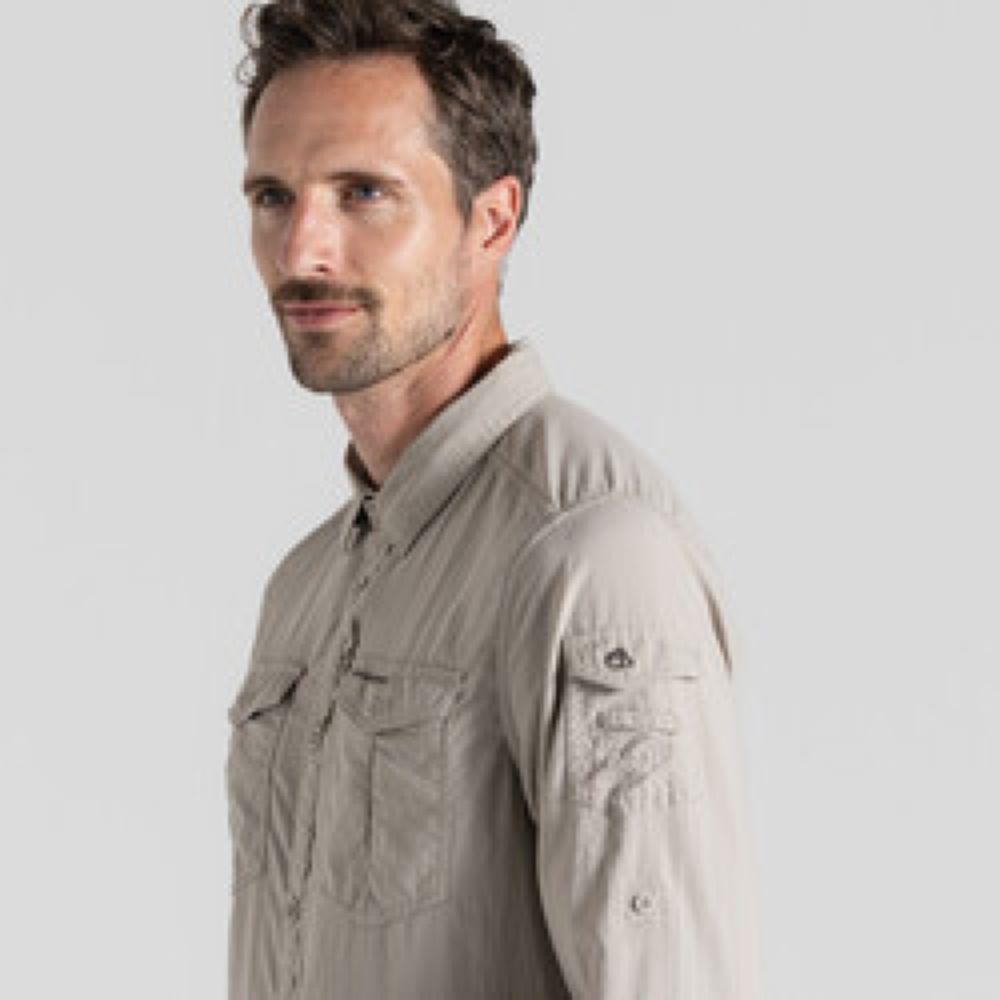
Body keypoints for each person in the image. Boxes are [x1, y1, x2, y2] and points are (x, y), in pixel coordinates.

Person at [225, 2, 763, 997]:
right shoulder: (301, 590)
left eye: (363, 193)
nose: (302, 251)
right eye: (272, 196)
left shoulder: (593, 556)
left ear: (493, 219)